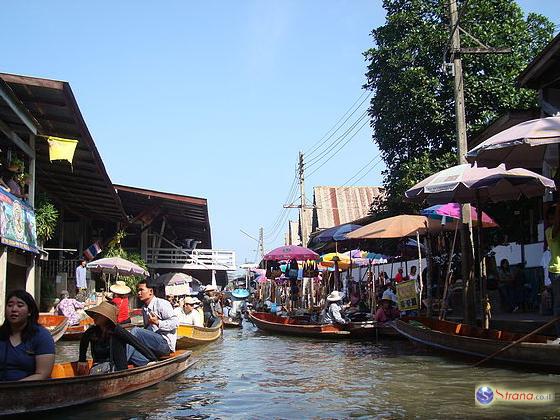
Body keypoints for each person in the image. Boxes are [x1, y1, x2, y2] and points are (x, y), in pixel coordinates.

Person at [77, 301, 157, 375]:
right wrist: (82, 360)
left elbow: (135, 343)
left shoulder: (117, 331)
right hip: (98, 369)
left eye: (98, 315)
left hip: (118, 370)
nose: (94, 317)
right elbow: (83, 342)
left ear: (106, 317)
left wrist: (152, 358)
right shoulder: (92, 331)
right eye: (95, 314)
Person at [0, 290, 55, 381]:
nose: (13, 309)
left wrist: (12, 388)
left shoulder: (42, 336)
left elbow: (43, 374)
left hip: (30, 390)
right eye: (10, 305)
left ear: (29, 311)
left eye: (20, 305)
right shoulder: (1, 334)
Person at [128, 279, 178, 366]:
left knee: (135, 331)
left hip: (165, 345)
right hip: (152, 344)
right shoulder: (144, 308)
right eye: (138, 291)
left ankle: (118, 365)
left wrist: (158, 322)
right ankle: (146, 363)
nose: (139, 293)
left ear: (150, 291)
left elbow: (175, 323)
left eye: (141, 290)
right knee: (129, 343)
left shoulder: (162, 304)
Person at [545, 205, 560, 343]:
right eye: (552, 219)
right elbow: (556, 227)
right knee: (558, 304)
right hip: (556, 271)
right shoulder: (550, 231)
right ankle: (559, 334)